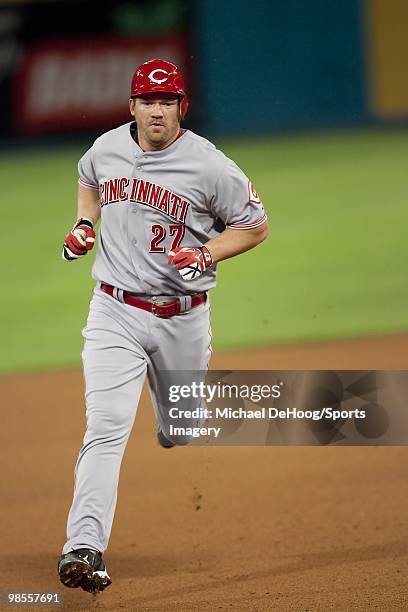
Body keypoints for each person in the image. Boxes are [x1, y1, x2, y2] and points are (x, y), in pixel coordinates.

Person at [57, 58, 268, 594]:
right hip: (114, 311)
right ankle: (83, 548)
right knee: (105, 429)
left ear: (182, 107)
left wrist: (207, 252)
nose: (156, 110)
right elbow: (87, 179)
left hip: (182, 317)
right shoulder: (106, 148)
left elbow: (254, 225)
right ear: (132, 105)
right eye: (148, 101)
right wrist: (85, 224)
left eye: (167, 101)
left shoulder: (210, 166)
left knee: (182, 428)